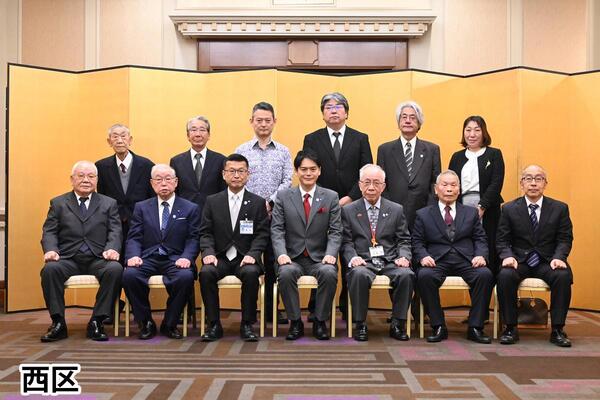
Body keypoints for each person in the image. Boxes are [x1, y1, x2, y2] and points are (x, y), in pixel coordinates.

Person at [303, 92, 373, 320]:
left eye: (338, 106)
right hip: (322, 206)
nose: (333, 110)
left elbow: (366, 173)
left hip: (353, 205)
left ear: (347, 112)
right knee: (320, 255)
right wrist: (329, 200)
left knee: (350, 255)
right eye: (328, 107)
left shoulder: (360, 138)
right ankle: (316, 308)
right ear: (322, 114)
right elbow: (309, 171)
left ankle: (348, 306)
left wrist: (349, 198)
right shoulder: (312, 138)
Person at [40, 161, 122, 342]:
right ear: (72, 179)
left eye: (91, 176)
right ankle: (58, 322)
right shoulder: (58, 203)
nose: (86, 180)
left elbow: (115, 230)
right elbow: (49, 231)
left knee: (115, 269)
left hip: (98, 258)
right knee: (50, 270)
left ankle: (97, 321)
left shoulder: (109, 203)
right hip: (68, 258)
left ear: (97, 180)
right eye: (81, 176)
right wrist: (51, 250)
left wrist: (112, 248)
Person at [496, 165, 574, 347]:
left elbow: (565, 238)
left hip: (548, 261)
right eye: (528, 179)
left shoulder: (559, 208)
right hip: (519, 261)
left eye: (538, 179)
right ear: (521, 183)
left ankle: (557, 329)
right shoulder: (509, 209)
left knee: (562, 276)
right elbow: (502, 239)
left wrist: (559, 257)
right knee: (505, 275)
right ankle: (510, 328)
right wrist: (507, 256)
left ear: (545, 184)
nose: (533, 183)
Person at [412, 170, 494, 343]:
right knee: (424, 276)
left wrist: (480, 255)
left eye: (453, 185)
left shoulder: (471, 213)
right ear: (436, 189)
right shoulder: (423, 214)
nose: (449, 189)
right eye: (445, 185)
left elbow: (480, 238)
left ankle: (475, 327)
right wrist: (423, 256)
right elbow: (417, 242)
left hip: (466, 259)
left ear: (459, 189)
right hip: (437, 260)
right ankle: (438, 325)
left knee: (485, 275)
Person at [122, 164, 200, 340]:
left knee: (185, 277)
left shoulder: (190, 208)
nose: (163, 183)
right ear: (152, 183)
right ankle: (146, 322)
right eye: (158, 179)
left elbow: (193, 238)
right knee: (130, 275)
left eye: (168, 179)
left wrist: (187, 257)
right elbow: (134, 236)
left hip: (175, 258)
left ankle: (170, 323)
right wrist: (133, 256)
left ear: (176, 182)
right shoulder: (142, 207)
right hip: (148, 257)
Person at [271, 150, 342, 340]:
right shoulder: (283, 196)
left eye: (313, 169)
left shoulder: (331, 197)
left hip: (320, 258)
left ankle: (320, 321)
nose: (308, 173)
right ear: (296, 171)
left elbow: (336, 231)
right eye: (303, 169)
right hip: (291, 258)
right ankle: (295, 322)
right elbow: (277, 229)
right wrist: (281, 254)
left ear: (319, 171)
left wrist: (331, 254)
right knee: (286, 273)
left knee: (329, 273)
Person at [199, 154, 270, 342]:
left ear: (248, 174)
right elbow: (205, 232)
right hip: (220, 257)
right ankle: (214, 324)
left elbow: (262, 234)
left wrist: (253, 254)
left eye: (241, 171)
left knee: (251, 273)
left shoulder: (257, 202)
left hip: (245, 257)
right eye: (231, 171)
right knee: (206, 273)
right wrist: (208, 253)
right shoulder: (212, 201)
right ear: (224, 174)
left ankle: (247, 324)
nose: (236, 175)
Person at [341, 164, 414, 341]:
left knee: (406, 274)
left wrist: (404, 256)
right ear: (360, 185)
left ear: (383, 186)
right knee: (358, 274)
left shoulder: (396, 209)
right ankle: (360, 324)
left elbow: (404, 239)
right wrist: (353, 258)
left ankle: (397, 323)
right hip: (363, 261)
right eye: (366, 182)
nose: (371, 187)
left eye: (376, 183)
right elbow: (346, 242)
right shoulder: (348, 211)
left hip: (390, 260)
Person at [235, 102, 292, 325]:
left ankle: (270, 310)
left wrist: (269, 202)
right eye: (259, 120)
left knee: (272, 263)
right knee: (247, 261)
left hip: (276, 214)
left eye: (268, 120)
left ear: (274, 122)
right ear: (251, 122)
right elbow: (237, 179)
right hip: (247, 215)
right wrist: (256, 205)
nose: (263, 124)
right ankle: (249, 312)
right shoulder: (242, 150)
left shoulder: (284, 151)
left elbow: (287, 181)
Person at [448, 116, 504, 274]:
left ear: (483, 132)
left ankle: (488, 278)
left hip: (488, 209)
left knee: (488, 244)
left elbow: (496, 183)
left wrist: (482, 206)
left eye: (477, 130)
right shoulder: (457, 157)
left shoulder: (494, 154)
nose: (472, 134)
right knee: (464, 242)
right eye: (468, 130)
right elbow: (451, 182)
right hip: (461, 208)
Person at [377, 101, 441, 229]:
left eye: (412, 118)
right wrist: (388, 208)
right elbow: (381, 183)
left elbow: (435, 183)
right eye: (404, 117)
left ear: (419, 123)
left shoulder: (432, 149)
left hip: (424, 213)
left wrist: (429, 209)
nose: (407, 121)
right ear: (398, 122)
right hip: (392, 213)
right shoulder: (385, 149)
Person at [96, 124, 155, 242]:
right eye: (115, 137)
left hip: (140, 222)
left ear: (130, 140)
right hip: (113, 223)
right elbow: (101, 196)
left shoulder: (147, 165)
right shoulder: (101, 167)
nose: (119, 140)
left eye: (123, 136)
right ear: (109, 141)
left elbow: (152, 196)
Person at [170, 116, 226, 216]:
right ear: (188, 136)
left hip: (212, 214)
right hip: (184, 215)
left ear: (209, 135)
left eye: (202, 130)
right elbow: (175, 192)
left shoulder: (221, 160)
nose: (198, 134)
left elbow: (223, 191)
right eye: (193, 130)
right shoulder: (176, 161)